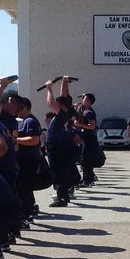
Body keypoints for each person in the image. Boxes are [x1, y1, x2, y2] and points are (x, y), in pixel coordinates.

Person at [44, 77, 77, 207]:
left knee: (58, 172)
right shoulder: (65, 112)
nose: (55, 106)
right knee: (60, 171)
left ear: (61, 106)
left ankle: (62, 197)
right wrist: (64, 82)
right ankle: (62, 196)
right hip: (58, 145)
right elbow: (64, 97)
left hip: (56, 146)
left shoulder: (62, 113)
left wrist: (49, 88)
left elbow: (51, 103)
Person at [15, 97, 42, 223]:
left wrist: (15, 140)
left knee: (24, 187)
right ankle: (30, 209)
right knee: (26, 187)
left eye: (18, 106)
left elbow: (34, 139)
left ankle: (26, 214)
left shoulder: (30, 121)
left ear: (24, 106)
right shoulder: (26, 121)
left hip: (29, 160)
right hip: (26, 159)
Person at [74, 92, 101, 186]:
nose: (82, 100)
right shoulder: (84, 111)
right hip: (85, 137)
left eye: (84, 98)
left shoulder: (89, 112)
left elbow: (92, 126)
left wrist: (79, 124)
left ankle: (87, 180)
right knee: (85, 159)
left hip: (89, 138)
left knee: (85, 159)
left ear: (89, 101)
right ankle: (89, 178)